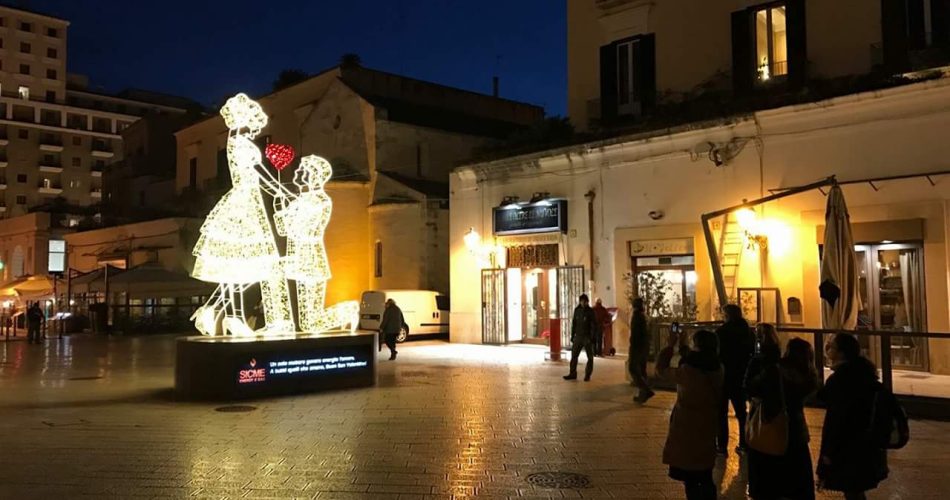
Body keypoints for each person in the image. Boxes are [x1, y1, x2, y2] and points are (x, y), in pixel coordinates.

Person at [745, 327, 818, 500]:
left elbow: (752, 388)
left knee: (769, 479)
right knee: (797, 480)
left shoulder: (776, 371)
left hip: (773, 426)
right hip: (797, 432)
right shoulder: (809, 377)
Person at [817, 334, 888, 500]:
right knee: (855, 489)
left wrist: (828, 453)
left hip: (846, 444)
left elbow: (836, 417)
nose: (828, 350)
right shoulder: (865, 374)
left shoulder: (841, 379)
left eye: (832, 347)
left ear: (841, 353)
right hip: (865, 442)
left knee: (851, 488)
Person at [659, 329, 723, 500]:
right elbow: (694, 360)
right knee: (705, 473)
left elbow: (662, 370)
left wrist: (670, 346)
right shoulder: (717, 368)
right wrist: (684, 347)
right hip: (708, 424)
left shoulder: (688, 371)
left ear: (698, 347)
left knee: (691, 478)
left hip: (687, 426)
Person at [715, 304, 755, 454]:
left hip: (725, 375)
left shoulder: (721, 332)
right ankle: (745, 443)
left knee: (721, 412)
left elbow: (717, 353)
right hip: (741, 375)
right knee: (741, 412)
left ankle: (722, 445)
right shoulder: (747, 332)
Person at [564, 294, 597, 381]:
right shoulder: (577, 310)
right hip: (578, 336)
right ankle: (572, 373)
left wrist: (592, 337)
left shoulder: (590, 311)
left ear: (587, 302)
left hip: (587, 337)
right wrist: (572, 335)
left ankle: (587, 375)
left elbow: (593, 325)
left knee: (590, 357)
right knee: (574, 356)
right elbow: (574, 323)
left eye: (585, 301)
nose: (583, 303)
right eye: (582, 301)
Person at [629, 297, 655, 403]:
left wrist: (633, 346)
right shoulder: (644, 316)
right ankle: (642, 394)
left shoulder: (637, 316)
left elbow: (636, 334)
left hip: (637, 347)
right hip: (644, 347)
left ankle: (646, 390)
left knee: (633, 369)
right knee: (642, 370)